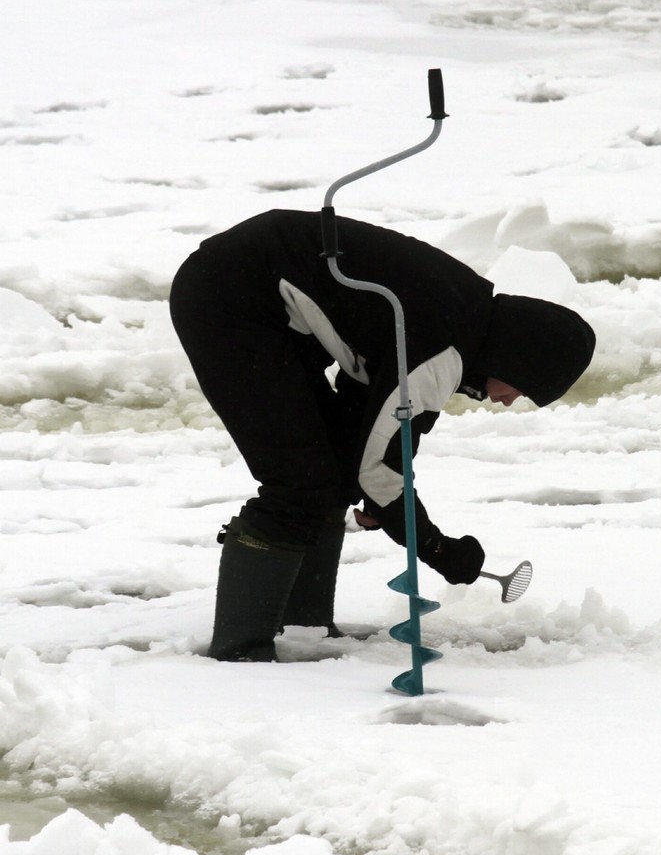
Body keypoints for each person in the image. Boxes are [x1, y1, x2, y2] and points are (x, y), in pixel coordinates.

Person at [169, 209, 595, 662]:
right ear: (517, 359)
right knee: (299, 482)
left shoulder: (466, 320)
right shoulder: (442, 349)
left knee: (327, 470)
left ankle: (303, 629)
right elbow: (379, 465)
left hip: (259, 291)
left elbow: (378, 424)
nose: (510, 401)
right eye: (522, 389)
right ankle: (240, 653)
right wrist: (433, 546)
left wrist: (375, 497)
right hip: (230, 297)